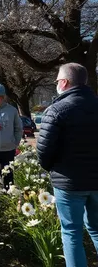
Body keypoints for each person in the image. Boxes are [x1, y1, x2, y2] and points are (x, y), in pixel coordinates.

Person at [37, 63, 98, 266]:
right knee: (97, 230)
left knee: (71, 233)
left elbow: (44, 151)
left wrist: (53, 169)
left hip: (69, 182)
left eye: (57, 81)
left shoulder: (56, 110)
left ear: (63, 82)